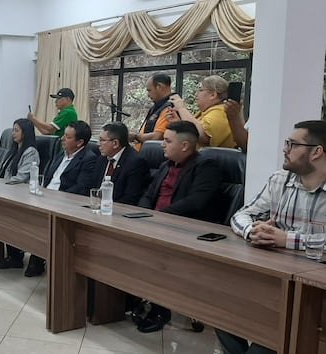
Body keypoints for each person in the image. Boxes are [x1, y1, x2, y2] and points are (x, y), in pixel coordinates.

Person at [217, 120, 326, 354]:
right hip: (276, 277)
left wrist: (286, 239)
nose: (284, 149)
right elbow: (242, 215)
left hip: (316, 289)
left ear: (317, 152)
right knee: (220, 308)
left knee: (266, 343)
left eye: (292, 144)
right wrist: (252, 231)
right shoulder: (281, 180)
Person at [133, 120, 222, 333]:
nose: (162, 144)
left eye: (167, 140)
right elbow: (148, 194)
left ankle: (160, 309)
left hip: (186, 230)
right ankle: (129, 297)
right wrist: (144, 215)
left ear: (185, 146)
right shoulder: (166, 165)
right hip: (156, 223)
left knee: (159, 255)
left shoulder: (206, 166)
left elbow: (195, 202)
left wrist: (157, 218)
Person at [24, 120, 97, 277]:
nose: (62, 139)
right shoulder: (60, 154)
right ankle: (25, 254)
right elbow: (49, 179)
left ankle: (38, 258)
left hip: (63, 203)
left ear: (80, 142)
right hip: (46, 197)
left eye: (68, 137)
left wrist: (53, 198)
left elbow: (80, 189)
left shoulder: (88, 159)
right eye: (64, 135)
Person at [0, 118, 39, 270]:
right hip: (7, 191)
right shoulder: (13, 150)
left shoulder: (30, 152)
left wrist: (1, 184)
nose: (13, 133)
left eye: (16, 130)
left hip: (21, 194)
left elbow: (22, 177)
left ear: (25, 133)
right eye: (13, 130)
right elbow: (2, 172)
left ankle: (16, 256)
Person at [169, 75, 238, 149]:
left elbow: (202, 135)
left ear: (213, 95)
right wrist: (178, 122)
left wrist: (182, 108)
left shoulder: (221, 111)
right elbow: (193, 130)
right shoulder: (207, 111)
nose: (196, 94)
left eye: (201, 90)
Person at [91, 122, 149, 205]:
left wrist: (105, 205)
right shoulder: (102, 158)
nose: (98, 144)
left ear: (115, 143)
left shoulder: (135, 162)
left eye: (102, 140)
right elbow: (92, 187)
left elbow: (130, 198)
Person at [129, 73, 174, 151]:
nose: (148, 95)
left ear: (159, 87)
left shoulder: (169, 108)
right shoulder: (157, 107)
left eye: (149, 90)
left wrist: (136, 136)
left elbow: (157, 137)